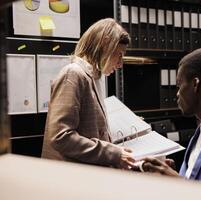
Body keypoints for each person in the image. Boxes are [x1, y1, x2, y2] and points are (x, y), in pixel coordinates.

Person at [41, 18, 135, 169]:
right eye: (119, 54)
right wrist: (114, 154)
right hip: (69, 178)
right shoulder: (73, 74)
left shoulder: (95, 77)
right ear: (105, 44)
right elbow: (60, 136)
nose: (120, 64)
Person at [140, 47, 201, 186]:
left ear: (195, 84)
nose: (177, 94)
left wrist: (179, 182)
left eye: (179, 85)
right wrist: (175, 175)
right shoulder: (200, 133)